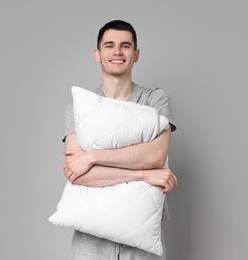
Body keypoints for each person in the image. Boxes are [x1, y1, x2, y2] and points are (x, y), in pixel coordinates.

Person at [62, 20, 177, 260]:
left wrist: (92, 157)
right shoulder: (79, 106)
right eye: (109, 45)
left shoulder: (154, 100)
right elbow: (79, 173)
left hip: (143, 239)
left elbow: (156, 155)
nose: (117, 52)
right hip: (90, 243)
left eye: (125, 46)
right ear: (97, 54)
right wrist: (144, 174)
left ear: (136, 55)